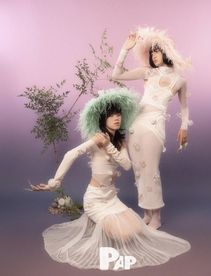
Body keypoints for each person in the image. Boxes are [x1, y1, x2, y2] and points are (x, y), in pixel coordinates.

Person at [29, 88, 190, 270]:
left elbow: (127, 165)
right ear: (103, 119)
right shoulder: (97, 138)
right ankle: (99, 222)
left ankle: (102, 224)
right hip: (95, 199)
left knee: (138, 231)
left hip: (111, 198)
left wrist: (110, 146)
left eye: (118, 115)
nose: (116, 118)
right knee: (123, 235)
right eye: (112, 115)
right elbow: (71, 154)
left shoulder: (120, 141)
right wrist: (55, 182)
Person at [112, 27, 193, 229]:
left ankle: (156, 216)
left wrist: (184, 128)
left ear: (165, 52)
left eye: (157, 51)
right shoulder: (147, 72)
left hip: (154, 127)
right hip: (136, 125)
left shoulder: (179, 80)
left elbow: (184, 108)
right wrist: (125, 48)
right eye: (151, 52)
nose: (153, 55)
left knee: (151, 171)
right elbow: (116, 75)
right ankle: (147, 213)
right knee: (139, 171)